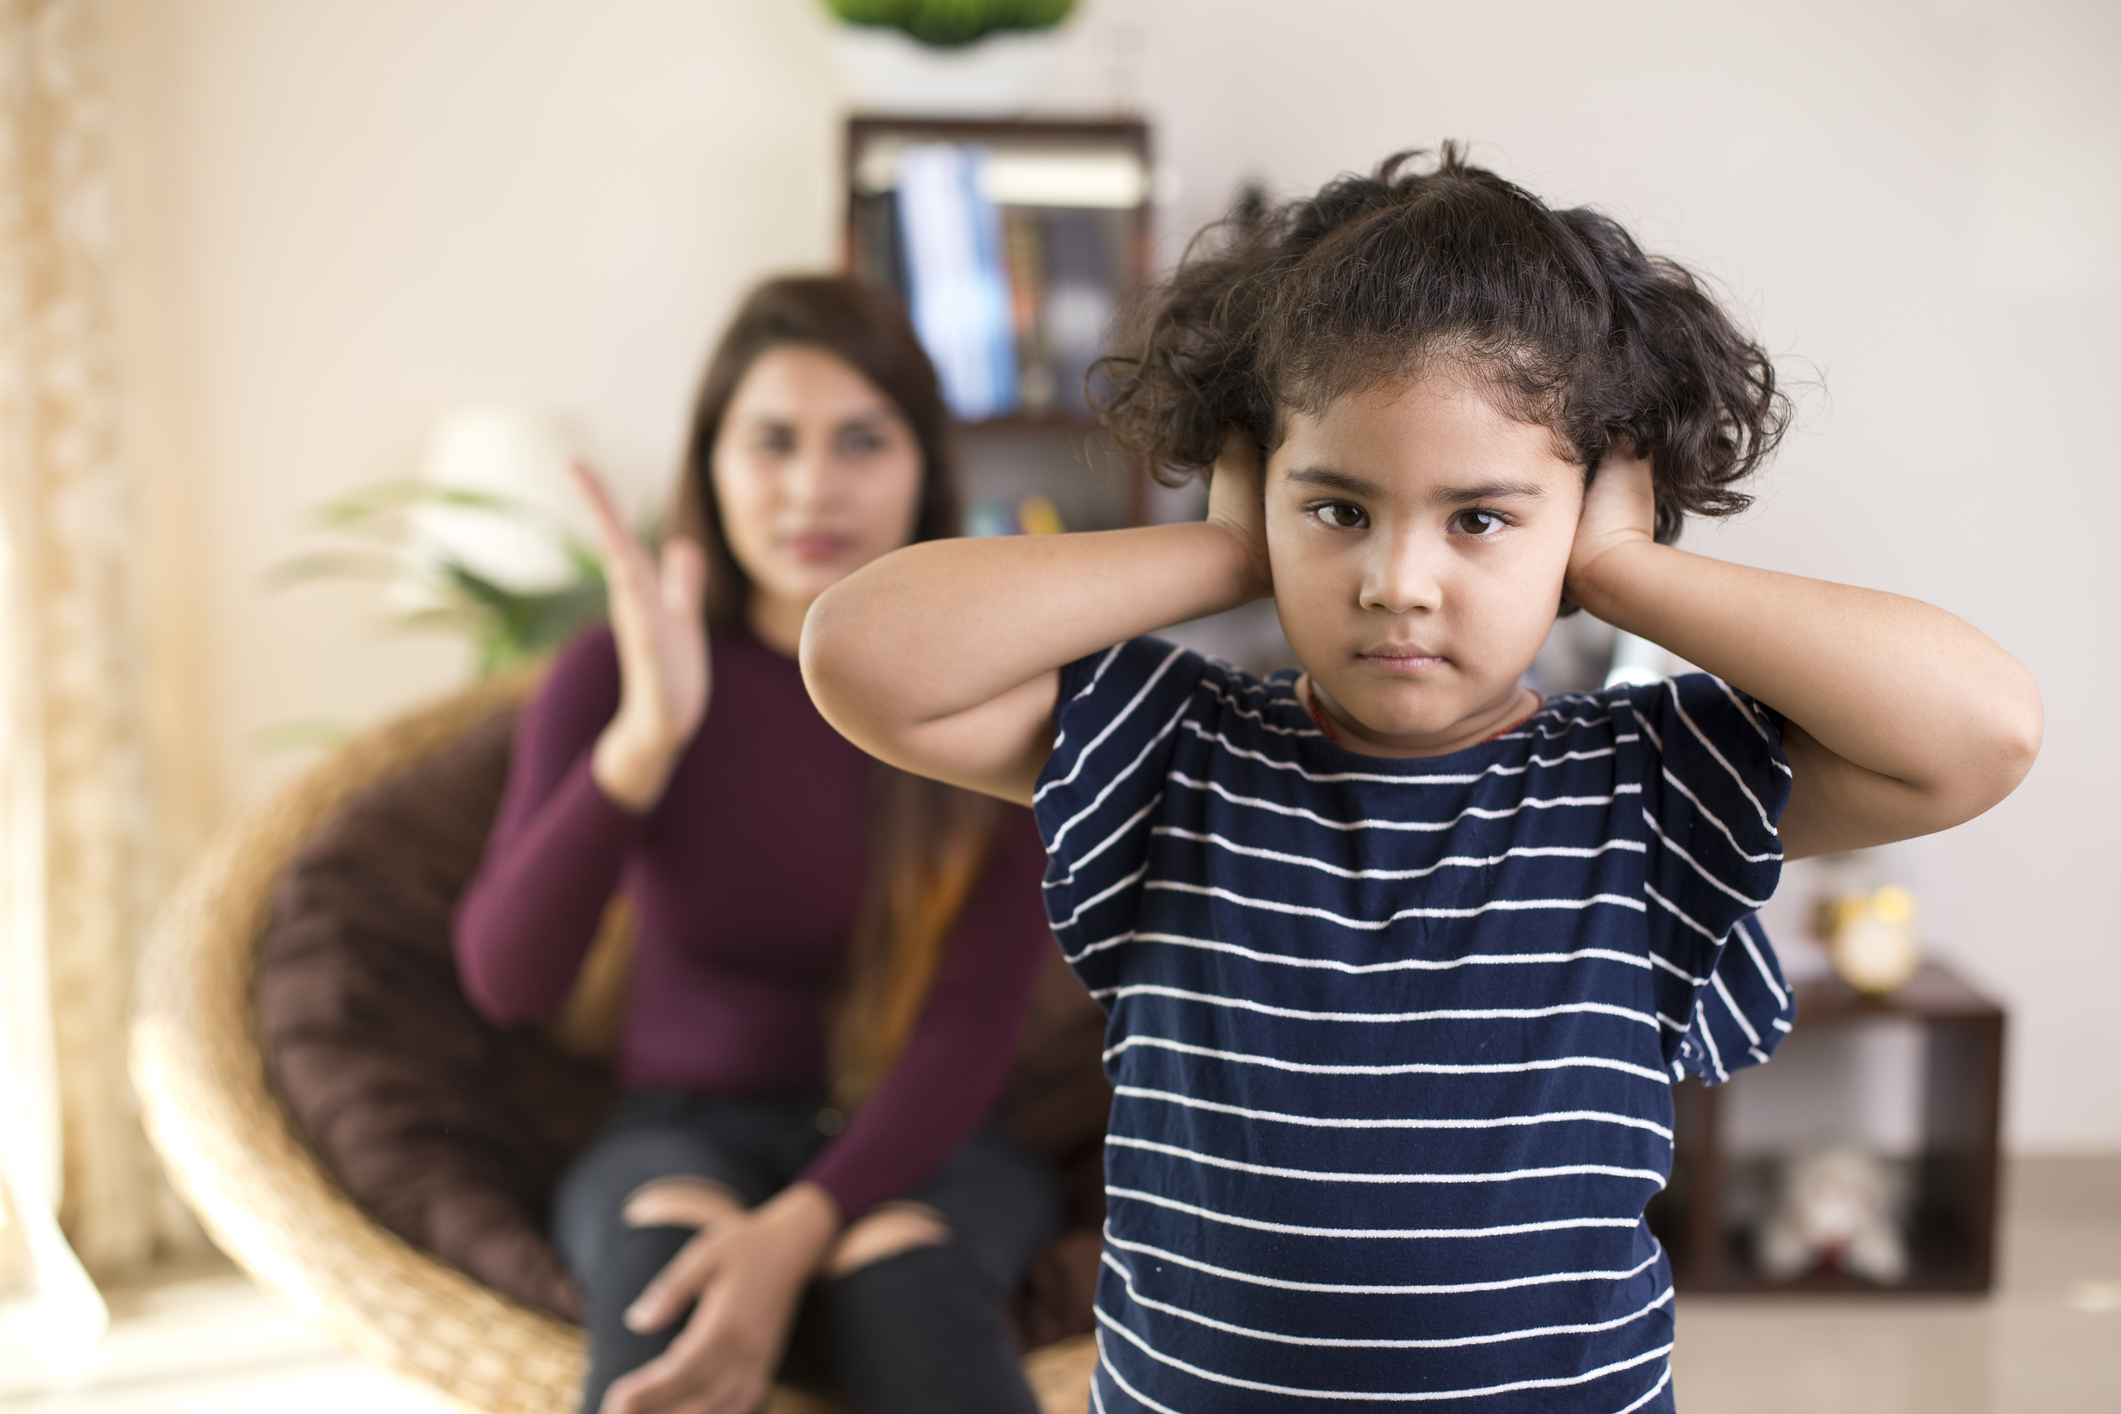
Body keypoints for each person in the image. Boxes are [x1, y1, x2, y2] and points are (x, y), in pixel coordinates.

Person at [798, 148, 2042, 1411]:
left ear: (1586, 512)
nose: (1399, 580)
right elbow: (862, 656)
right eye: (1337, 509)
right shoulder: (1167, 755)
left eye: (1482, 519)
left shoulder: (1650, 789)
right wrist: (1223, 552)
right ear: (1261, 486)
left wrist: (1625, 567)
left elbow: (1981, 732)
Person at [453, 277, 1065, 1414]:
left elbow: (963, 1034)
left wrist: (795, 1232)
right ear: (713, 464)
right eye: (770, 441)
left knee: (900, 1277)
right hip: (678, 1131)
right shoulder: (612, 676)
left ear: (923, 467)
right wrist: (649, 737)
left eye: (861, 442)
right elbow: (507, 976)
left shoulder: (990, 700)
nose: (809, 487)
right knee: (663, 1285)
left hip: (927, 1135)